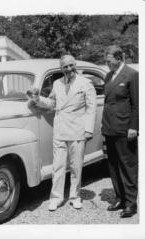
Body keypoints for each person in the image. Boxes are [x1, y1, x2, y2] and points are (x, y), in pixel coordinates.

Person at [28, 55, 97, 211]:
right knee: (58, 166)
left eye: (71, 65)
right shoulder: (57, 83)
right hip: (60, 129)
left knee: (76, 166)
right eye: (65, 67)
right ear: (61, 69)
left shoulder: (85, 83)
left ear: (75, 65)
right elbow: (52, 103)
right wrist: (37, 99)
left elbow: (91, 108)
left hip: (77, 130)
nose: (68, 69)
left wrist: (88, 129)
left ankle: (75, 196)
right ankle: (56, 198)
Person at [102, 45, 139, 218]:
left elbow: (137, 104)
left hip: (125, 129)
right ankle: (120, 198)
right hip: (109, 128)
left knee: (128, 166)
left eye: (109, 61)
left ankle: (131, 204)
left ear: (119, 58)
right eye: (106, 61)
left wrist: (134, 126)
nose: (107, 64)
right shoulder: (108, 76)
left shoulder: (132, 74)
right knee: (113, 165)